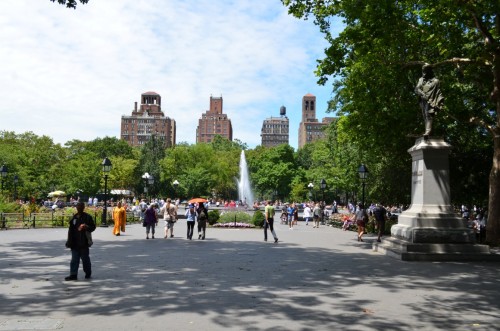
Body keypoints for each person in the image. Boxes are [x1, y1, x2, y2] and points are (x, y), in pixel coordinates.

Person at [64, 201, 96, 281]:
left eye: (81, 207)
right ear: (76, 208)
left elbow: (93, 227)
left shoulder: (88, 217)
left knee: (85, 260)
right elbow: (70, 230)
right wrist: (69, 241)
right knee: (74, 260)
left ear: (83, 208)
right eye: (78, 207)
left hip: (84, 242)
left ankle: (88, 272)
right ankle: (73, 274)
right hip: (74, 243)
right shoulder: (74, 217)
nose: (79, 208)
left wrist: (86, 226)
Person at [415, 64, 444, 137]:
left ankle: (428, 132)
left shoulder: (435, 81)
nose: (424, 73)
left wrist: (439, 103)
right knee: (425, 116)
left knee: (429, 115)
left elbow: (438, 92)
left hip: (431, 101)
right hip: (423, 101)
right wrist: (422, 94)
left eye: (425, 71)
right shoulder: (421, 80)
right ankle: (429, 132)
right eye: (423, 71)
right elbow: (416, 89)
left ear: (429, 71)